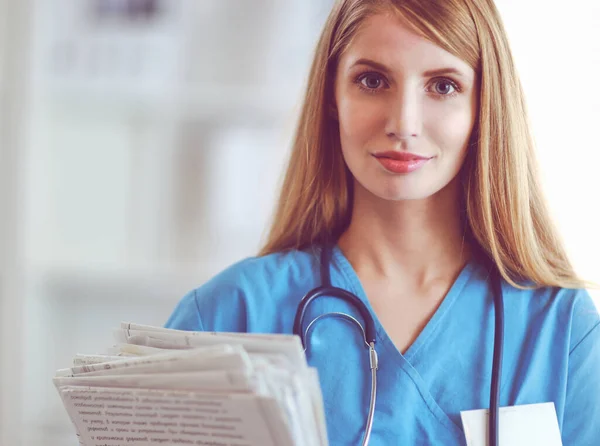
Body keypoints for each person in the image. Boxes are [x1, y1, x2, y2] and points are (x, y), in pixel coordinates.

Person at [165, 0, 600, 444]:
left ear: (483, 106)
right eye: (372, 81)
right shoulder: (226, 317)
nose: (403, 123)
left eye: (443, 86)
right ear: (332, 96)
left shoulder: (561, 330)